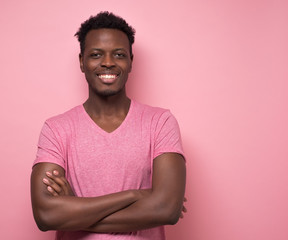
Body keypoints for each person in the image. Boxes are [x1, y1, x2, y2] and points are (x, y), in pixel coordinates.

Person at [30, 11, 187, 240]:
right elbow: (46, 215)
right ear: (82, 62)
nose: (107, 62)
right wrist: (136, 195)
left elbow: (166, 209)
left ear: (131, 62)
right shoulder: (56, 129)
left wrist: (74, 209)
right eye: (95, 54)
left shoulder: (160, 123)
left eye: (119, 54)